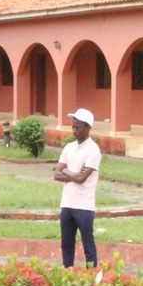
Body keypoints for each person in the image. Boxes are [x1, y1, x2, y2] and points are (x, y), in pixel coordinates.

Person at [55, 107, 101, 268]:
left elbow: (82, 179)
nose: (74, 130)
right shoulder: (69, 147)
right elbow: (56, 174)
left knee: (88, 245)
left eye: (77, 127)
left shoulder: (93, 150)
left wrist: (66, 171)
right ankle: (68, 274)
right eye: (73, 127)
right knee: (66, 244)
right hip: (67, 203)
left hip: (84, 206)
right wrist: (72, 173)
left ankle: (91, 276)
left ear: (87, 127)